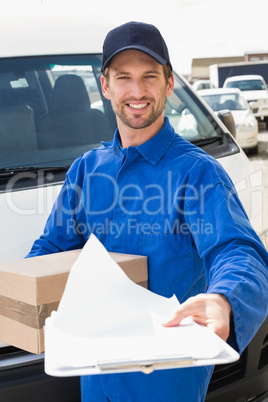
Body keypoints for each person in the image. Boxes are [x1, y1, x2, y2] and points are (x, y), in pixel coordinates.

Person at [26, 21, 268, 401]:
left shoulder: (197, 172)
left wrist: (224, 299)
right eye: (123, 77)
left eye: (149, 76)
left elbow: (238, 252)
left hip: (167, 379)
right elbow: (47, 254)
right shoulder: (86, 171)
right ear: (105, 86)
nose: (137, 91)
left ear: (169, 84)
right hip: (95, 373)